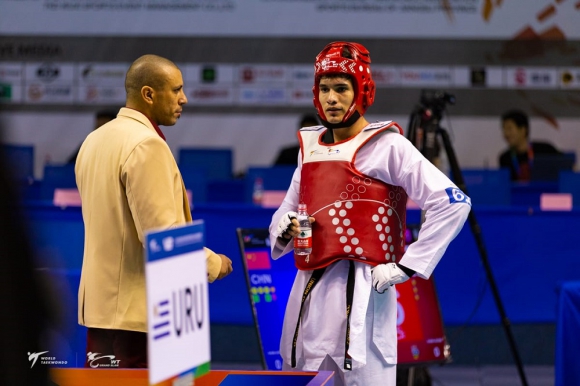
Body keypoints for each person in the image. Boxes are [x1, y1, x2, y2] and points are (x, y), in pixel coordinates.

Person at [269, 42, 471, 386]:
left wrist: (408, 265)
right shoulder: (310, 148)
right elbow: (287, 209)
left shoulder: (387, 145)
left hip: (363, 293)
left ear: (362, 91)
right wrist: (284, 227)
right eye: (324, 88)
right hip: (309, 294)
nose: (331, 98)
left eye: (341, 88)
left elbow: (452, 202)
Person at [75, 54, 233, 368]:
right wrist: (214, 263)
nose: (184, 99)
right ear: (149, 94)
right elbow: (163, 238)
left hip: (102, 316)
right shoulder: (146, 145)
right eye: (176, 90)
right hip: (140, 320)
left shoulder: (94, 140)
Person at [498, 109, 561, 181]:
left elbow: (567, 167)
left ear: (523, 130)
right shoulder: (505, 158)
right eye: (504, 129)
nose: (506, 134)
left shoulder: (546, 149)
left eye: (509, 129)